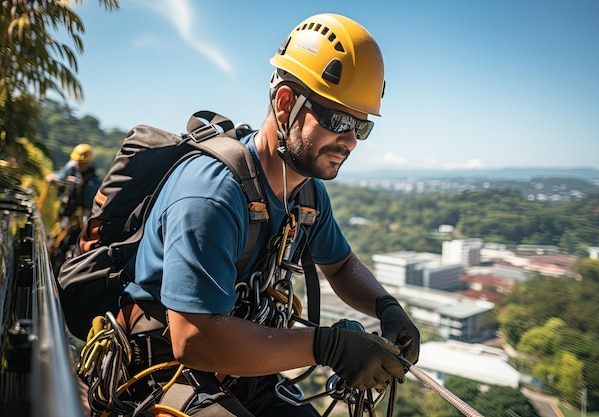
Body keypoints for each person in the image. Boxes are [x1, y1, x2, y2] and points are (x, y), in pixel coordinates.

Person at [122, 13, 421, 417]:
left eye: (361, 127)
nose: (350, 141)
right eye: (339, 121)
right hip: (163, 369)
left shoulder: (307, 194)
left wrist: (385, 305)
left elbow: (341, 264)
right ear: (285, 105)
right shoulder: (212, 194)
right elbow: (192, 339)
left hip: (241, 363)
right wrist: (325, 346)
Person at [46, 143, 101, 274]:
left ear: (88, 163)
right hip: (65, 219)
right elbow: (60, 175)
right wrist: (54, 178)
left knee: (68, 248)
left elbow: (90, 206)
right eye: (76, 162)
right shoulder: (71, 169)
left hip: (78, 223)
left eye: (81, 163)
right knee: (55, 245)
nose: (77, 165)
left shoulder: (93, 183)